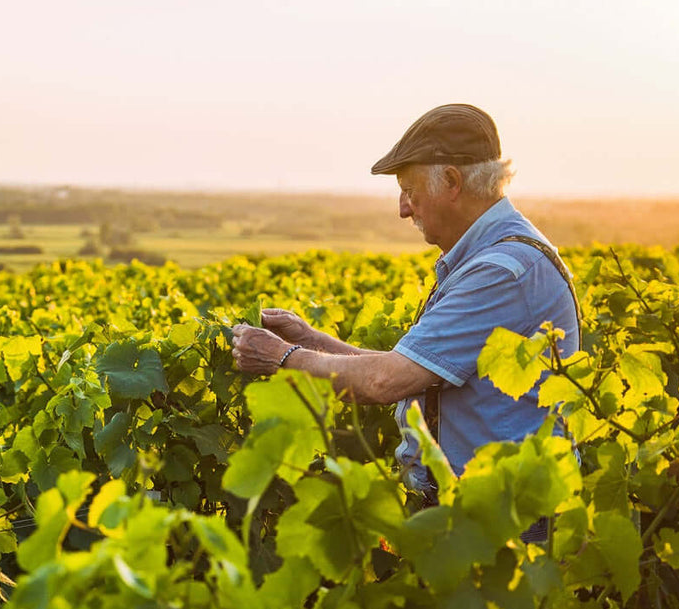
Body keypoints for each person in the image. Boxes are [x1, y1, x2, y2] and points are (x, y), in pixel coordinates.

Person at [230, 103, 580, 539]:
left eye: (410, 190)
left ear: (452, 182)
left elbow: (386, 381)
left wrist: (282, 357)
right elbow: (414, 369)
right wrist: (311, 338)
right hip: (479, 518)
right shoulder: (489, 257)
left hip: (502, 530)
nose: (402, 209)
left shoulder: (503, 271)